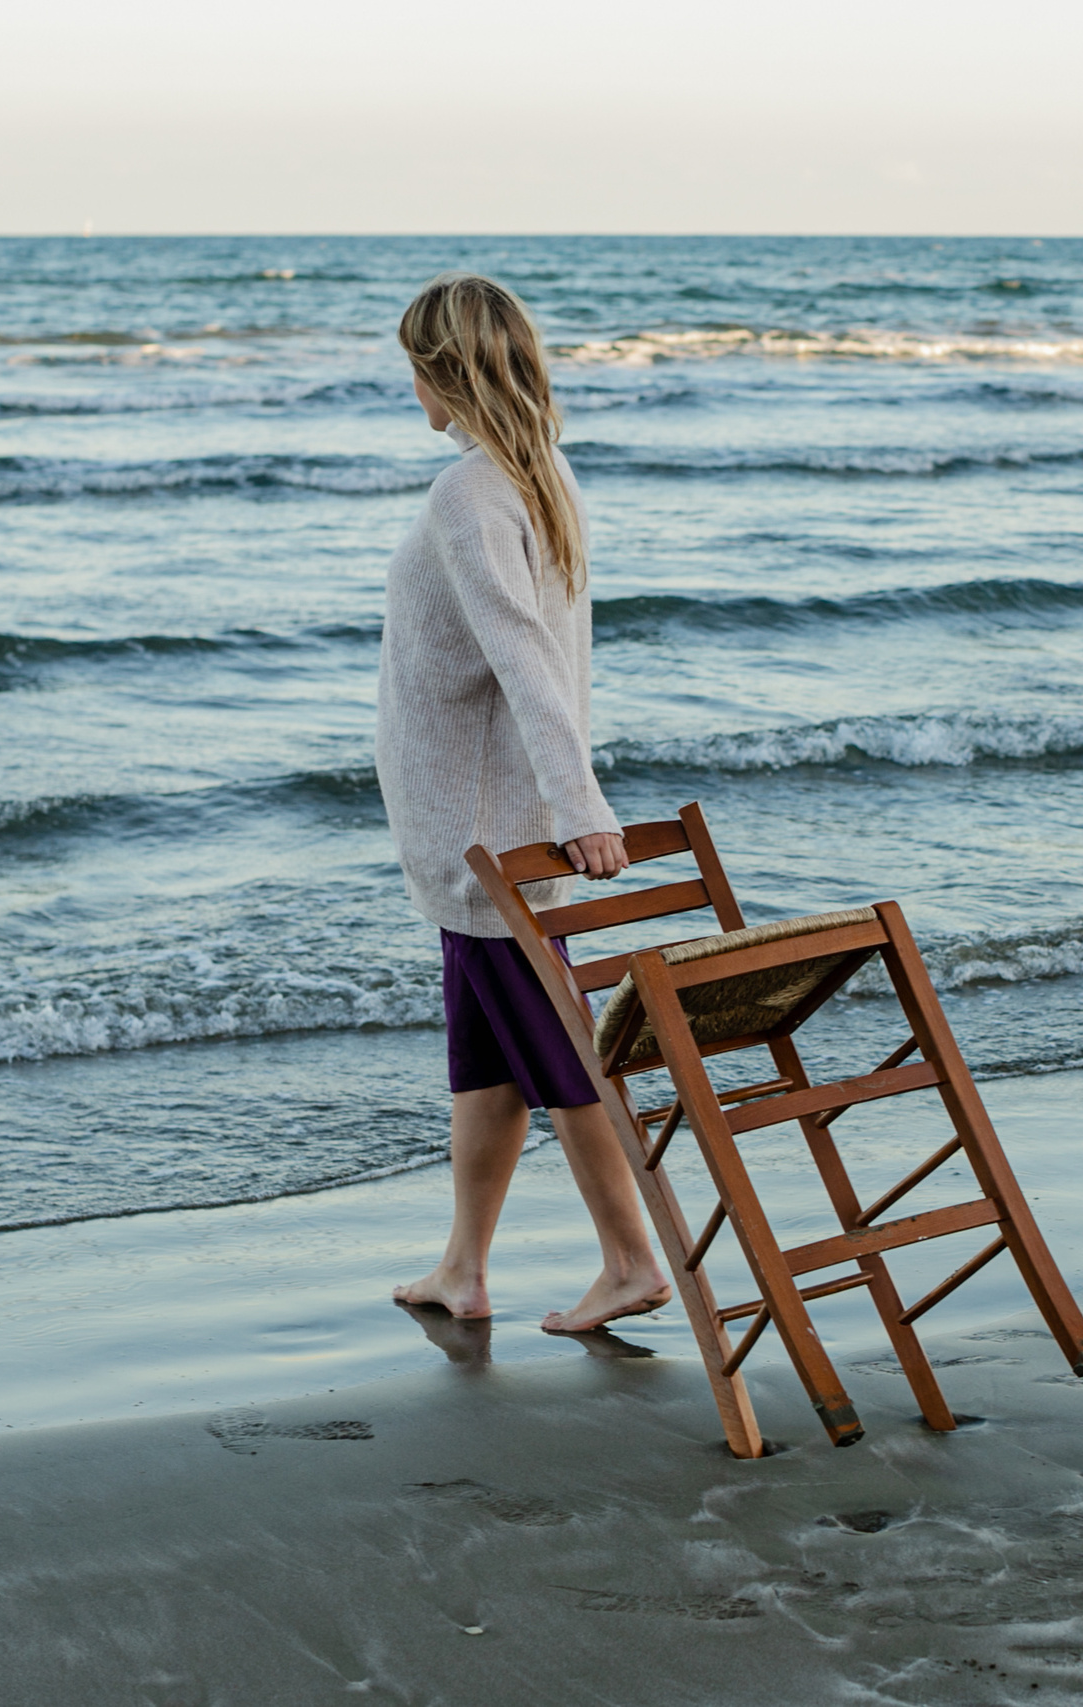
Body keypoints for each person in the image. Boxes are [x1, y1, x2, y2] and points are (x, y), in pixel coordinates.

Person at [378, 272, 670, 1333]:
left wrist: (578, 805)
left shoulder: (470, 493)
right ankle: (463, 1266)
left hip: (487, 836)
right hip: (484, 826)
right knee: (486, 1054)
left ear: (440, 374)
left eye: (413, 369)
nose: (409, 388)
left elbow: (526, 660)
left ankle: (633, 1258)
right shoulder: (535, 475)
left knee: (556, 1052)